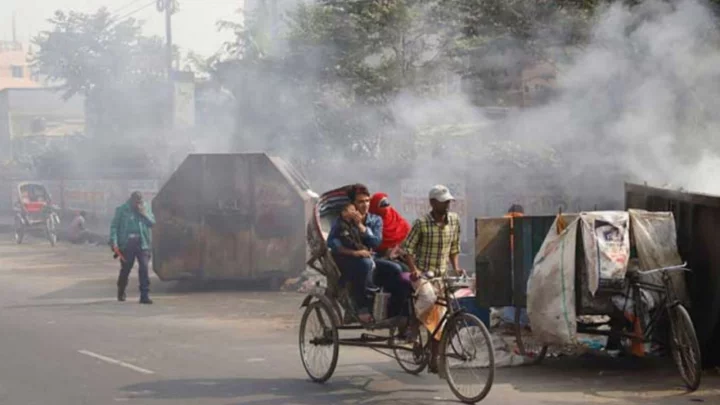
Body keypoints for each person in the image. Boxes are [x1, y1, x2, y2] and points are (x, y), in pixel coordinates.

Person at [403, 184, 466, 373]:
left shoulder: (454, 220)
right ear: (432, 203)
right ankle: (413, 326)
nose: (447, 205)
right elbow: (408, 250)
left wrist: (456, 267)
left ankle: (434, 358)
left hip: (442, 274)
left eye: (448, 201)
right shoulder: (421, 223)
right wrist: (414, 270)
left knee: (442, 319)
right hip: (422, 274)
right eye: (442, 202)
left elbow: (454, 248)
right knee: (428, 298)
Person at [328, 185, 382, 322]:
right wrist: (355, 253)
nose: (365, 205)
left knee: (396, 269)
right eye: (360, 202)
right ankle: (362, 307)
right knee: (364, 264)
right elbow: (332, 242)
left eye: (367, 201)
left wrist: (361, 226)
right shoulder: (343, 221)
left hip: (371, 257)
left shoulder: (375, 220)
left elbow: (376, 242)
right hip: (348, 259)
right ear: (353, 204)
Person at [369, 192, 414, 318]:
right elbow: (370, 243)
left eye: (387, 204)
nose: (386, 208)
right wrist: (386, 253)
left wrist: (399, 250)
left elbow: (407, 239)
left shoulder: (397, 219)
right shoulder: (372, 221)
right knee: (399, 270)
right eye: (382, 205)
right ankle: (393, 312)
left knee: (413, 273)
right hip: (376, 258)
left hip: (398, 256)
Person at [110, 191, 155, 304]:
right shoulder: (122, 210)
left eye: (140, 202)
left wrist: (144, 214)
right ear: (131, 200)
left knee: (144, 268)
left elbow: (152, 223)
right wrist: (114, 242)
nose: (138, 204)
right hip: (127, 243)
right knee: (126, 268)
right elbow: (114, 227)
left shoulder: (145, 208)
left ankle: (144, 295)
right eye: (136, 202)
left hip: (142, 242)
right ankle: (121, 289)